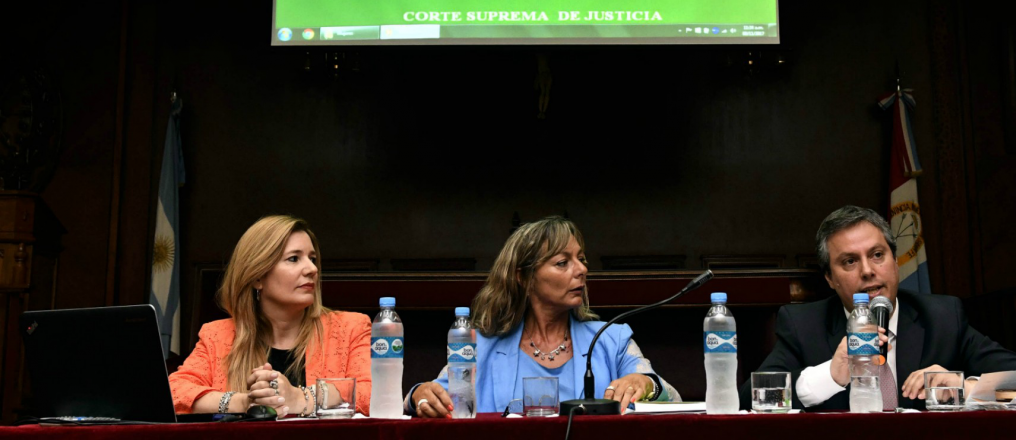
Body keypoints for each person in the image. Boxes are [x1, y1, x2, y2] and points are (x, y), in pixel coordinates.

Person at [739, 205, 1016, 411]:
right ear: (829, 278)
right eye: (850, 261)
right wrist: (830, 375)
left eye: (877, 255)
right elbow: (747, 400)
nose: (868, 271)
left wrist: (966, 386)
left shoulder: (943, 318)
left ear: (895, 262)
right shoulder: (804, 325)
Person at [408, 216, 680, 417]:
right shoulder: (480, 346)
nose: (582, 270)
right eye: (563, 262)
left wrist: (647, 384)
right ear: (524, 277)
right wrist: (419, 395)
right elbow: (429, 395)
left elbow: (671, 397)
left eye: (581, 259)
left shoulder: (612, 339)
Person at [168, 215, 372, 416]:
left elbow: (373, 394)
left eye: (313, 259)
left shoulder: (351, 328)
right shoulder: (217, 335)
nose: (312, 269)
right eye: (294, 258)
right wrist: (244, 402)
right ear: (257, 277)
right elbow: (173, 393)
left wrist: (301, 398)